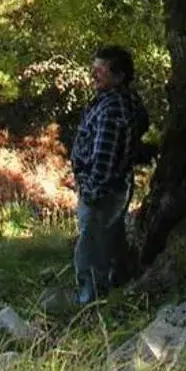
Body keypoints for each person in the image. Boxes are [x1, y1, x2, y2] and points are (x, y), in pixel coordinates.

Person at [69, 44, 149, 304]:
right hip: (116, 187)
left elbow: (104, 156)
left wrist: (91, 192)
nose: (94, 76)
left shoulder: (113, 108)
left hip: (104, 190)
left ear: (119, 76)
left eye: (100, 71)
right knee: (111, 239)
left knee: (90, 247)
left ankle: (89, 301)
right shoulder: (122, 100)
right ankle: (118, 286)